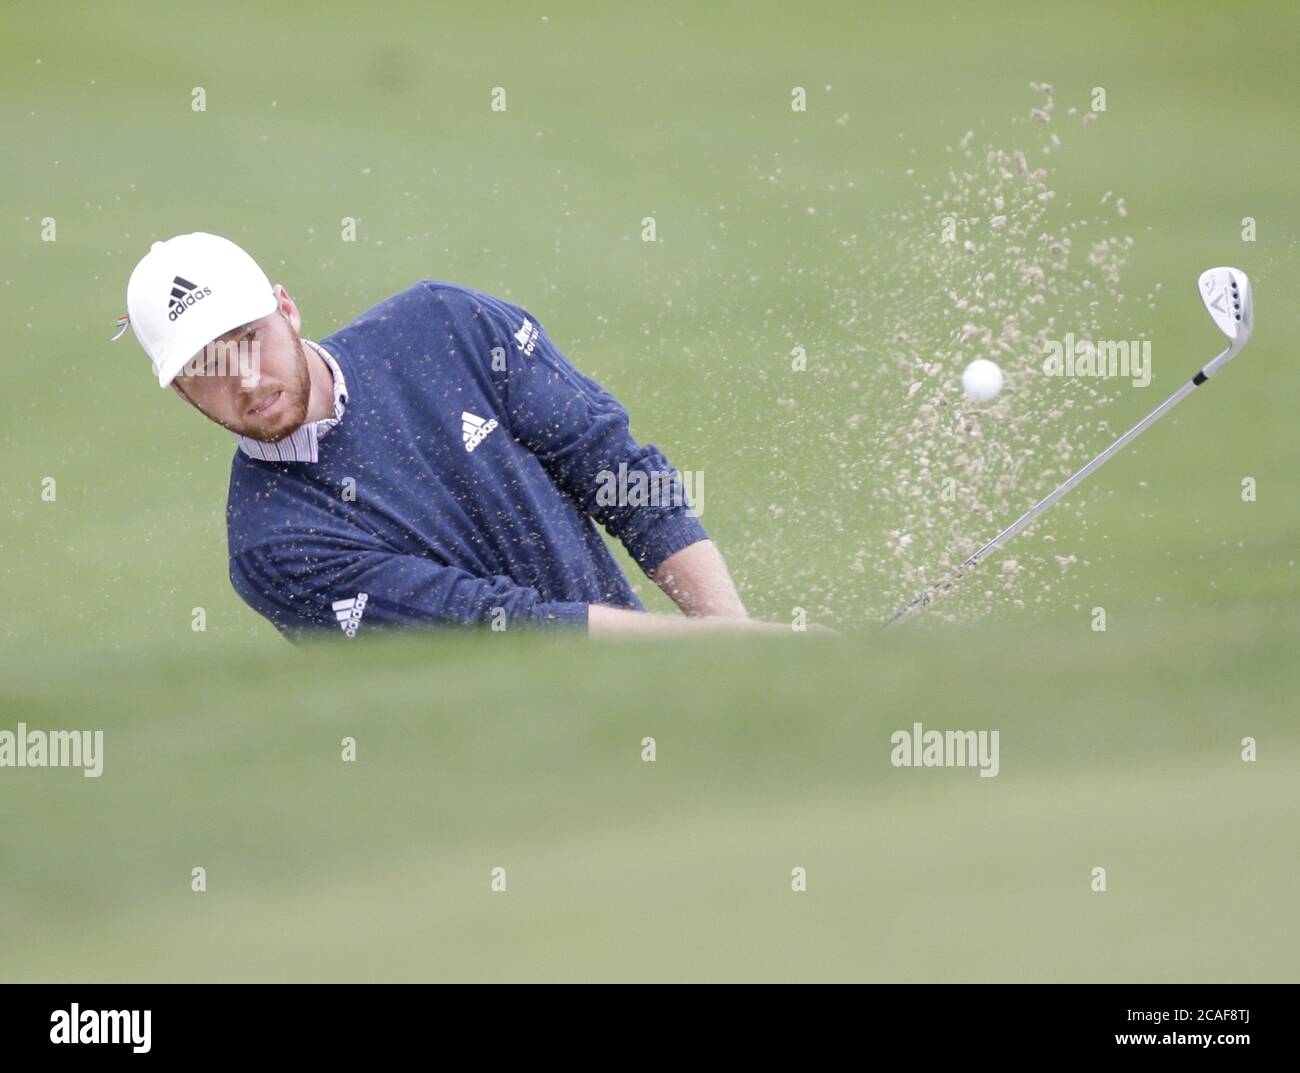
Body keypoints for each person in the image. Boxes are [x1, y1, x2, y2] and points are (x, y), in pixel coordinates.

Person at [118, 232, 803, 639]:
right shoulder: (274, 542)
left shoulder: (445, 325)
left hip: (646, 694)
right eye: (205, 365)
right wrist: (720, 655)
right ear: (181, 390)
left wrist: (732, 638)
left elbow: (614, 466)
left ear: (287, 308)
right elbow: (500, 629)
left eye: (248, 338)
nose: (241, 378)